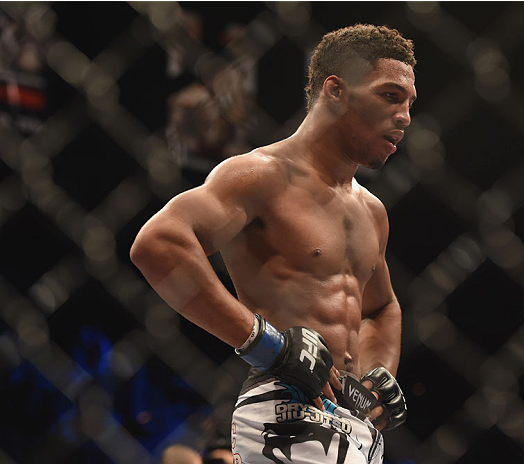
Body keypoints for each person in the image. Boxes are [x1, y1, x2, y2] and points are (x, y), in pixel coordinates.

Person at [131, 23, 416, 464]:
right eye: (391, 96)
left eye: (409, 103)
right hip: (285, 409)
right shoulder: (261, 174)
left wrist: (377, 377)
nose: (405, 117)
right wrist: (267, 345)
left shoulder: (371, 211)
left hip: (355, 427)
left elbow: (382, 307)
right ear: (336, 90)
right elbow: (159, 242)